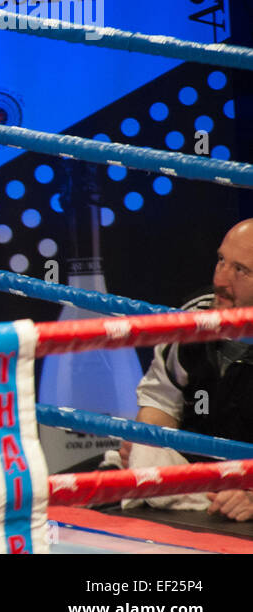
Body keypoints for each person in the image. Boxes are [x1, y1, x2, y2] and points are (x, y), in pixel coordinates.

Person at [120, 219, 253, 522]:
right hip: (192, 478)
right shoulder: (194, 318)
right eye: (221, 260)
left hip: (240, 494)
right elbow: (160, 402)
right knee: (54, 498)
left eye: (240, 270)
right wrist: (148, 442)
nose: (221, 279)